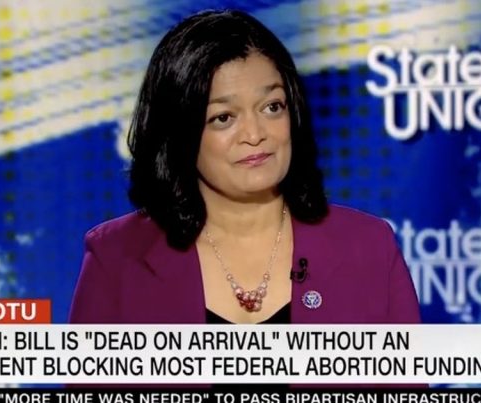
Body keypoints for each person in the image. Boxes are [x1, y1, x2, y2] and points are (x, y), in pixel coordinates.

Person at [69, 9, 420, 327]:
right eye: (224, 117)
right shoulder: (116, 259)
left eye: (272, 107)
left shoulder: (368, 246)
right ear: (179, 133)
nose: (255, 134)